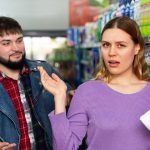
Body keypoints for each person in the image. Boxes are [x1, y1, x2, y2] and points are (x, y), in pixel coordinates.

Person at [38, 16, 150, 150]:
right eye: (106, 45)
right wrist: (60, 97)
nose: (111, 53)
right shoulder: (87, 91)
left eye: (121, 45)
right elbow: (65, 147)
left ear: (137, 48)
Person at [0, 16, 72, 150]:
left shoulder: (43, 70)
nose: (16, 48)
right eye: (6, 43)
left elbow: (69, 100)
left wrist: (71, 95)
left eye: (19, 40)